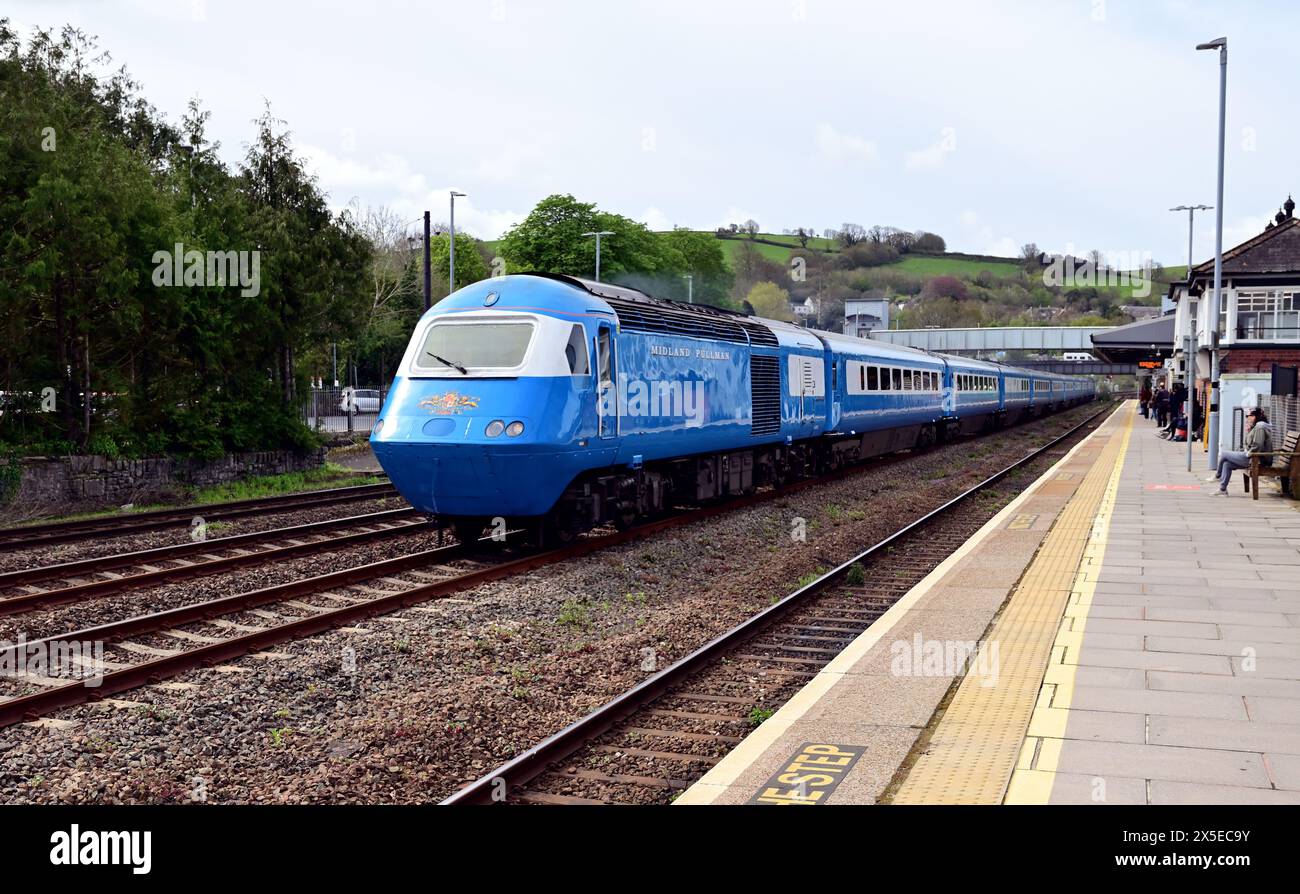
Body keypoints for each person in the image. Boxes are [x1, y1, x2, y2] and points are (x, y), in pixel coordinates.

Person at [1213, 407, 1274, 495]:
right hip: (1253, 457)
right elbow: (1250, 443)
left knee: (1224, 454)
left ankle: (1217, 476)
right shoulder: (1257, 427)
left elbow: (1258, 445)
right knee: (1227, 464)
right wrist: (1250, 431)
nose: (1247, 418)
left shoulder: (1260, 427)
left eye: (1248, 416)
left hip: (1256, 459)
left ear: (1254, 416)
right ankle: (1222, 490)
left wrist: (1248, 454)